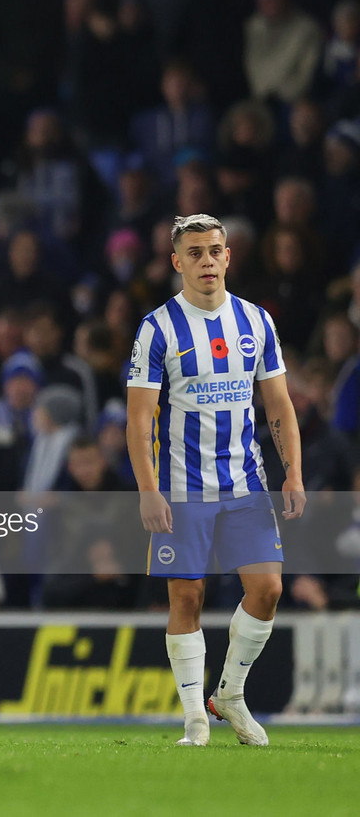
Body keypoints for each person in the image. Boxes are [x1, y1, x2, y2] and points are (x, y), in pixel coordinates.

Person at [126, 213, 305, 748]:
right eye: (196, 252)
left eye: (215, 251)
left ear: (229, 257)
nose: (207, 261)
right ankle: (194, 721)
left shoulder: (256, 322)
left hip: (245, 483)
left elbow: (278, 403)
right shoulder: (158, 328)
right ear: (176, 261)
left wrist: (293, 472)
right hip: (182, 487)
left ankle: (228, 694)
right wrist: (148, 489)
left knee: (268, 589)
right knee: (188, 597)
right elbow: (139, 419)